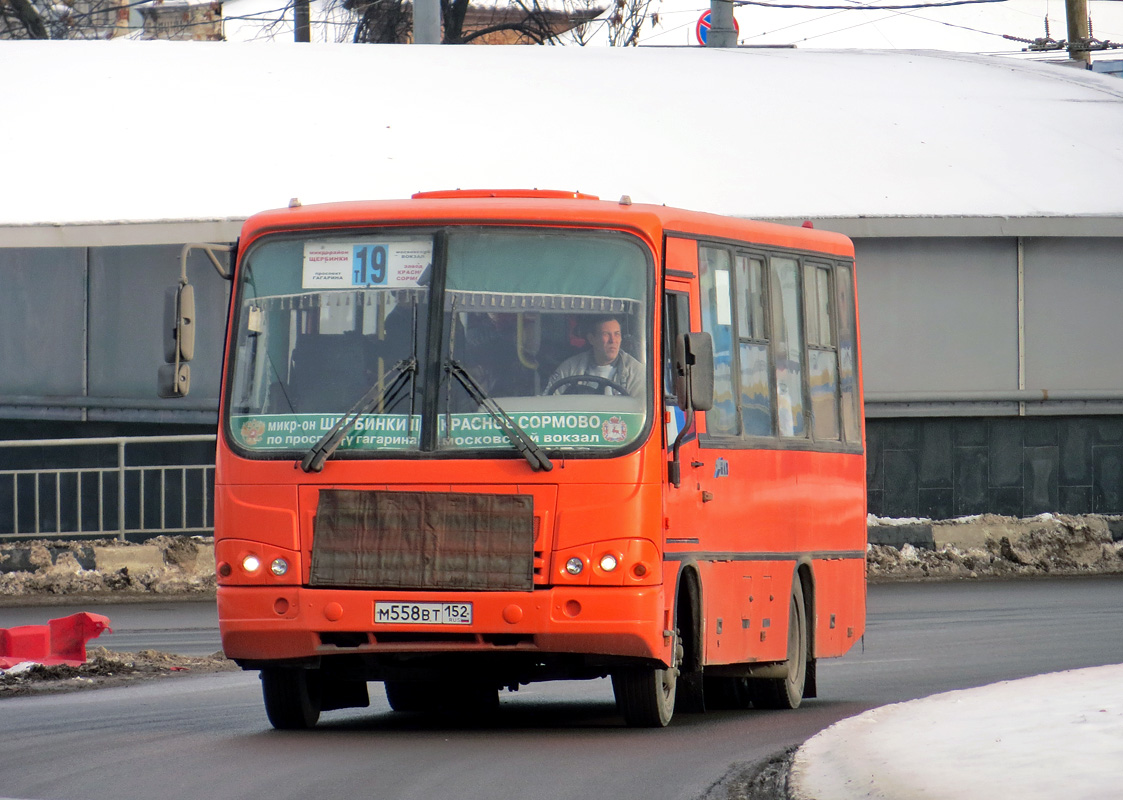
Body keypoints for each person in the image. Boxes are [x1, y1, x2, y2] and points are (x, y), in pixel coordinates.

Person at [545, 315, 643, 397]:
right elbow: (548, 401)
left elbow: (641, 408)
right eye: (606, 334)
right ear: (591, 339)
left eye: (617, 334)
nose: (613, 341)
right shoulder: (570, 368)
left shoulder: (636, 372)